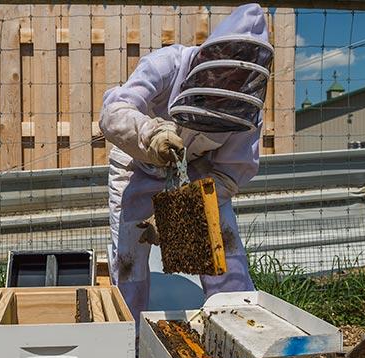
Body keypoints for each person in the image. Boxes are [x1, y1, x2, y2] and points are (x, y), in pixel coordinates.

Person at [99, 3, 273, 323]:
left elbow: (231, 172)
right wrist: (150, 134)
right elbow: (114, 112)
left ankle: (238, 326)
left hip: (197, 169)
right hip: (136, 162)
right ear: (210, 62)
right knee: (129, 257)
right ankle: (131, 338)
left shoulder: (246, 109)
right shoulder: (167, 63)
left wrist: (181, 212)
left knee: (225, 250)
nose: (229, 86)